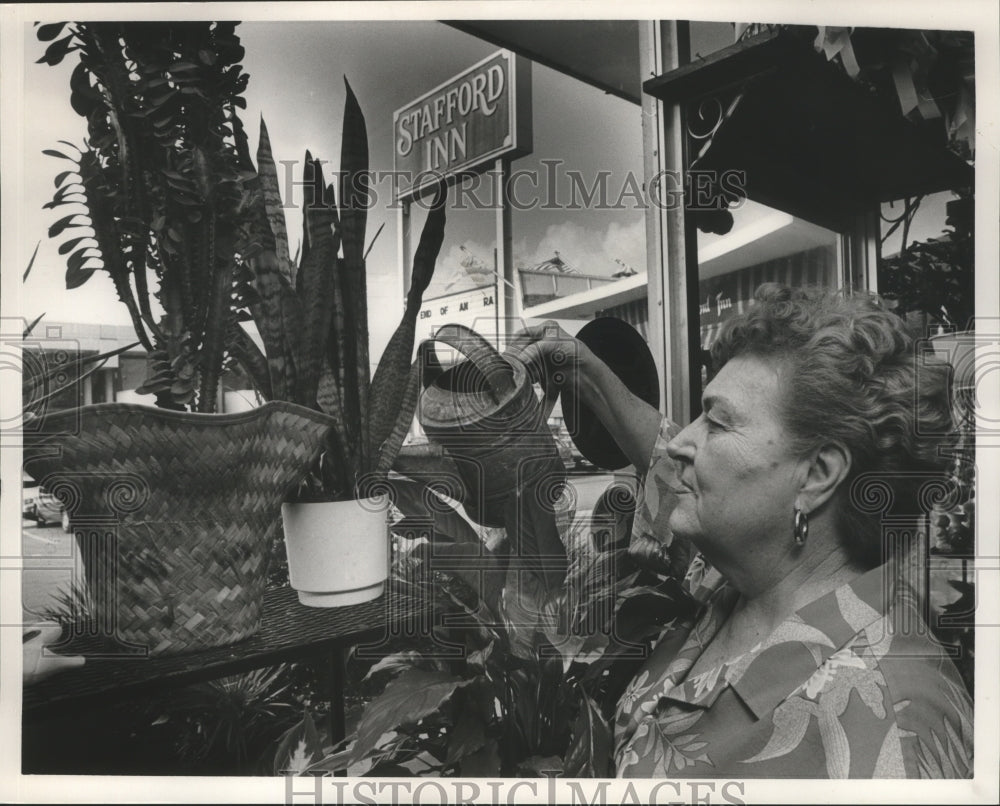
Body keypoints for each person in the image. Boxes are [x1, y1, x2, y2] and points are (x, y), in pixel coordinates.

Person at [509, 283, 973, 779]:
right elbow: (673, 460)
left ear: (817, 476)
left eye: (716, 422)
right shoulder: (740, 580)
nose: (681, 441)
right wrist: (585, 371)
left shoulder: (894, 718)